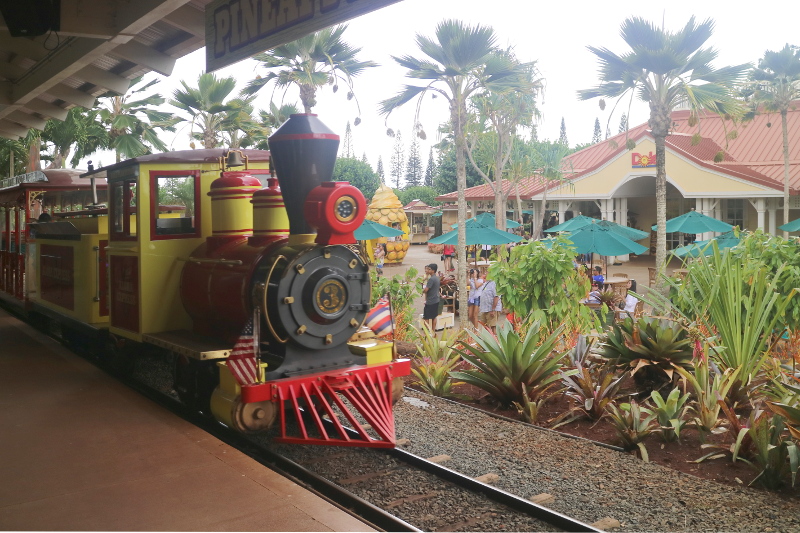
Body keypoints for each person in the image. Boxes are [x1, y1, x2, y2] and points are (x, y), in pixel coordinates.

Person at [422, 263, 441, 332]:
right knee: (434, 316)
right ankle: (433, 331)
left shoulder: (431, 279)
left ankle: (426, 332)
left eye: (429, 269)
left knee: (426, 317)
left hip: (430, 301)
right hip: (436, 299)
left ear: (433, 271)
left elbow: (426, 289)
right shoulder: (437, 278)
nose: (428, 270)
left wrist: (422, 290)